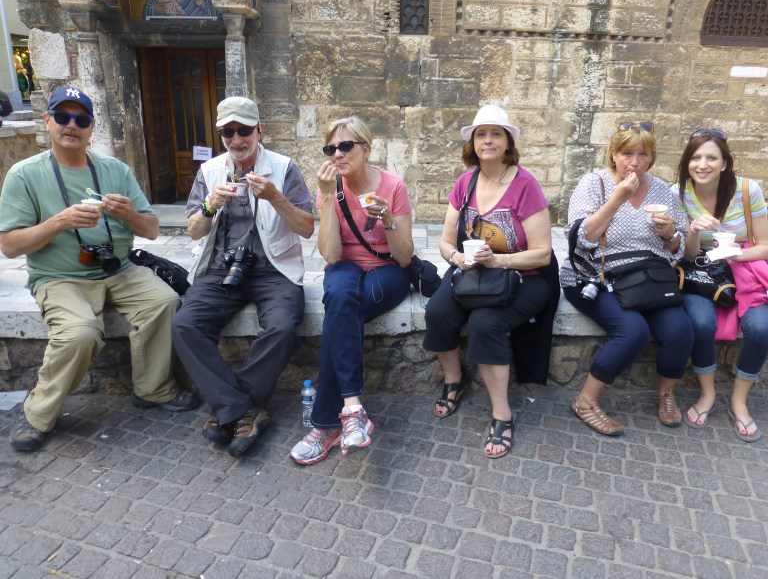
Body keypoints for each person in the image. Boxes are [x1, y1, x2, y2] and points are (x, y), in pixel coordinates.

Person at [0, 86, 199, 452]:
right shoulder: (24, 174)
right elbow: (10, 246)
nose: (71, 125)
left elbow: (152, 230)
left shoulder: (114, 170)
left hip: (119, 269)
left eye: (81, 119)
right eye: (62, 117)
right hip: (60, 277)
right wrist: (59, 222)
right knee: (80, 333)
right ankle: (37, 414)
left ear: (91, 127)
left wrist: (127, 213)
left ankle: (153, 389)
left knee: (164, 302)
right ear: (47, 122)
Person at [172, 96, 314, 457]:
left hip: (274, 269)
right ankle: (241, 410)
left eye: (244, 131)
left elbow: (307, 227)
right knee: (185, 324)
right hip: (222, 268)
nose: (237, 140)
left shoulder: (283, 168)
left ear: (259, 130)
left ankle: (229, 410)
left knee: (282, 327)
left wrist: (275, 197)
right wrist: (209, 206)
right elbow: (193, 231)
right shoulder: (210, 171)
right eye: (228, 133)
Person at [422, 105, 553, 459]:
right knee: (436, 312)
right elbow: (446, 241)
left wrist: (499, 260)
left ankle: (502, 414)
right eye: (481, 134)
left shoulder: (525, 185)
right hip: (474, 274)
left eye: (496, 133)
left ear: (508, 141)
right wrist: (456, 259)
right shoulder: (466, 182)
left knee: (485, 323)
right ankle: (454, 379)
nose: (488, 140)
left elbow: (542, 253)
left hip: (523, 276)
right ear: (473, 143)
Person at [289, 116, 414, 465]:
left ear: (366, 148)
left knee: (341, 315)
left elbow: (404, 257)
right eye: (331, 149)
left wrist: (388, 220)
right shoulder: (329, 187)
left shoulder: (393, 186)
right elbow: (330, 254)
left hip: (386, 270)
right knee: (341, 296)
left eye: (346, 146)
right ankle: (353, 410)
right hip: (344, 266)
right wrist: (328, 198)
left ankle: (325, 426)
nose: (338, 155)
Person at [560, 121, 693, 436]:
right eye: (627, 153)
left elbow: (679, 248)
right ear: (613, 154)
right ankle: (586, 401)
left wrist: (670, 233)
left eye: (643, 154)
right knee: (633, 330)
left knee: (680, 329)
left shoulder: (662, 190)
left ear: (651, 158)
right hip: (594, 277)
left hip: (647, 280)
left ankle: (666, 394)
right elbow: (580, 239)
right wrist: (618, 198)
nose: (634, 162)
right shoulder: (594, 184)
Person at [674, 128, 768, 442]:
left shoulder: (748, 190)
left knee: (759, 329)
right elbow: (686, 255)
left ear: (725, 163)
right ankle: (707, 394)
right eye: (696, 157)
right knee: (700, 324)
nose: (702, 164)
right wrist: (692, 230)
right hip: (699, 271)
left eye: (711, 157)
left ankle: (739, 401)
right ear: (687, 162)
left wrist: (734, 253)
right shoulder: (678, 193)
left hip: (743, 268)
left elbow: (766, 246)